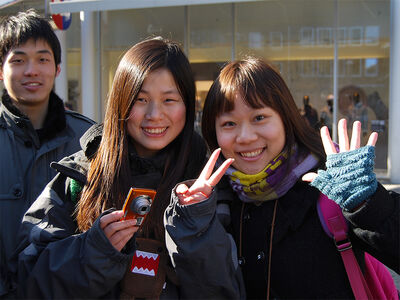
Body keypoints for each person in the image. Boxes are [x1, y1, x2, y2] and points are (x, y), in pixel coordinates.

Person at [164, 57, 399, 299]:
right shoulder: (215, 201)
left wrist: (367, 203)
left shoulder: (333, 185)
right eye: (229, 123)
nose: (245, 137)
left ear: (285, 118)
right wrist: (194, 218)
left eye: (259, 118)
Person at [13, 37, 207, 298]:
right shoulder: (80, 175)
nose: (154, 115)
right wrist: (93, 251)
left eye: (169, 100)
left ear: (188, 105)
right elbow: (30, 275)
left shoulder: (205, 181)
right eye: (140, 99)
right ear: (120, 102)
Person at [0, 10, 95, 297]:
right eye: (18, 60)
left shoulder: (89, 141)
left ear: (57, 68)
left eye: (43, 59)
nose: (32, 70)